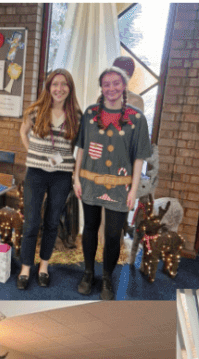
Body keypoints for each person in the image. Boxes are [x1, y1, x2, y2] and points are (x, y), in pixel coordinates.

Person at [73, 65, 150, 300]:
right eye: (106, 84)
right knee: (90, 228)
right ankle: (88, 273)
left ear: (124, 86)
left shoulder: (136, 118)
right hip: (89, 182)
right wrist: (75, 177)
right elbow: (82, 148)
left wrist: (134, 190)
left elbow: (138, 158)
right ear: (101, 87)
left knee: (114, 234)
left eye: (116, 83)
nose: (111, 88)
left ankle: (107, 276)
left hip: (120, 187)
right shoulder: (90, 114)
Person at [17, 69, 80, 289]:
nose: (59, 89)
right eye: (55, 84)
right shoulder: (35, 111)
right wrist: (33, 152)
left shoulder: (76, 116)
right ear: (48, 87)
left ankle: (43, 266)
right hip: (35, 172)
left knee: (52, 222)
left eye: (64, 84)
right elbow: (23, 133)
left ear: (69, 89)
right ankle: (26, 267)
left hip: (62, 175)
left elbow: (78, 148)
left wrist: (77, 174)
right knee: (32, 221)